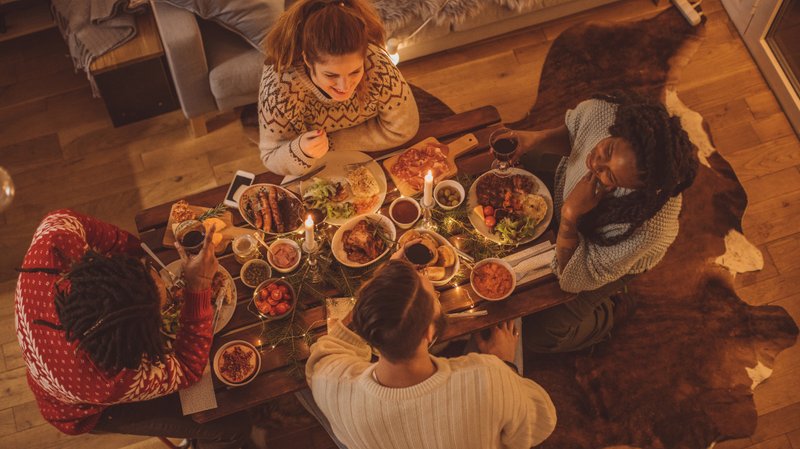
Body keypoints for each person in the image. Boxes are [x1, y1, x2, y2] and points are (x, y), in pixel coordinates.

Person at [14, 209, 252, 449]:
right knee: (230, 426)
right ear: (137, 342)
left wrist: (135, 251)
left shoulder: (51, 247)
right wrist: (198, 286)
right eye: (158, 312)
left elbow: (65, 219)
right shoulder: (109, 378)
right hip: (86, 409)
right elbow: (188, 369)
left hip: (54, 364)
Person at [304, 251, 557, 449]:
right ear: (429, 333)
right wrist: (505, 365)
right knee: (512, 322)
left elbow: (329, 349)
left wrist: (379, 292)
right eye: (434, 297)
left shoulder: (330, 384)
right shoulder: (489, 378)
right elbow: (540, 424)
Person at [512, 91, 699, 352]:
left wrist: (569, 216)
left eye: (610, 175)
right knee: (520, 162)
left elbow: (574, 279)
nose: (595, 163)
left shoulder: (645, 228)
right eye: (608, 149)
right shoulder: (603, 113)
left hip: (603, 257)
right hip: (572, 194)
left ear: (634, 188)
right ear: (618, 129)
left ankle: (609, 314)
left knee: (535, 334)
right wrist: (534, 139)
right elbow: (575, 134)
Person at [258, 0, 420, 176]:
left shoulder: (379, 67)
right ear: (307, 61)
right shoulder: (279, 90)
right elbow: (270, 156)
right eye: (331, 75)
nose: (345, 86)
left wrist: (331, 142)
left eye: (355, 71)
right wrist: (300, 150)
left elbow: (404, 129)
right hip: (312, 170)